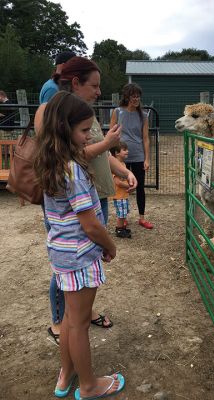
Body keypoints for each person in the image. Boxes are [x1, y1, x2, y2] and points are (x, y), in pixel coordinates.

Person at [34, 56, 138, 343]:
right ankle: (61, 323)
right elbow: (60, 157)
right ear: (76, 82)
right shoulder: (51, 111)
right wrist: (107, 144)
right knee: (69, 262)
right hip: (73, 203)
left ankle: (83, 312)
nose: (98, 91)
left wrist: (123, 169)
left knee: (89, 258)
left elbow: (100, 153)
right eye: (94, 85)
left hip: (94, 196)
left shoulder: (83, 113)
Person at [34, 91, 125, 399]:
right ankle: (88, 386)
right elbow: (90, 224)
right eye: (85, 131)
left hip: (61, 255)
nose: (89, 137)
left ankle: (66, 375)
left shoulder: (53, 161)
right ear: (64, 129)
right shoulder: (73, 170)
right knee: (80, 325)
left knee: (70, 320)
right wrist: (110, 246)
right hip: (80, 257)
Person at [110, 82, 153, 229]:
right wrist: (112, 155)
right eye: (134, 96)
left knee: (139, 186)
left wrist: (147, 159)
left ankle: (141, 217)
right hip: (121, 156)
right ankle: (123, 218)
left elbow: (146, 138)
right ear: (127, 97)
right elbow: (111, 133)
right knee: (122, 186)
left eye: (138, 97)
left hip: (138, 155)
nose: (136, 99)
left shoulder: (144, 116)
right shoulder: (117, 112)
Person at [111, 142, 131, 238]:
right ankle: (119, 230)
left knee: (124, 212)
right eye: (124, 150)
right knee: (121, 213)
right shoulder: (116, 165)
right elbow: (117, 182)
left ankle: (122, 228)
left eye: (127, 149)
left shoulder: (123, 164)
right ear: (117, 153)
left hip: (123, 195)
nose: (127, 151)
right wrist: (128, 186)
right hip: (119, 195)